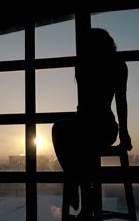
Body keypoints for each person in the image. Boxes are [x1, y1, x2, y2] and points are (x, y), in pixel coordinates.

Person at [52, 28, 132, 219]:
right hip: (103, 127)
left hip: (94, 126)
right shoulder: (117, 64)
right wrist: (123, 131)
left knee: (68, 134)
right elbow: (120, 101)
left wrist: (124, 131)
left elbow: (91, 103)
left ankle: (77, 191)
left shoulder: (84, 64)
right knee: (77, 139)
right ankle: (82, 198)